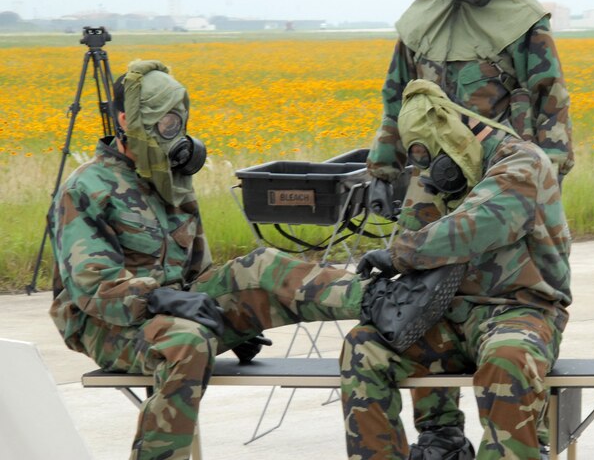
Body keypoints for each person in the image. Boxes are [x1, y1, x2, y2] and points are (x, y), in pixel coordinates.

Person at [48, 60, 373, 460]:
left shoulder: (169, 178)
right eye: (162, 123)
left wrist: (230, 313)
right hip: (106, 322)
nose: (171, 132)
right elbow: (93, 289)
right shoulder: (86, 188)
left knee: (260, 267)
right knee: (188, 340)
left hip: (171, 308)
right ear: (125, 120)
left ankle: (383, 299)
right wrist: (159, 299)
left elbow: (199, 274)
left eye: (176, 122)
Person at [365, 0, 574, 456]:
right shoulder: (418, 24)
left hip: (500, 185)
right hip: (432, 185)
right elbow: (396, 100)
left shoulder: (521, 20)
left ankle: (518, 433)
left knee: (504, 308)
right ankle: (440, 434)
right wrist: (383, 168)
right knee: (421, 299)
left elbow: (552, 108)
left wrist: (538, 189)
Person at [342, 79, 572, 460]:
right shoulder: (434, 174)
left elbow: (478, 225)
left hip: (518, 311)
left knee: (508, 358)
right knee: (364, 346)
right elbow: (416, 251)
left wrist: (399, 254)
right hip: (449, 318)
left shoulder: (522, 163)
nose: (430, 169)